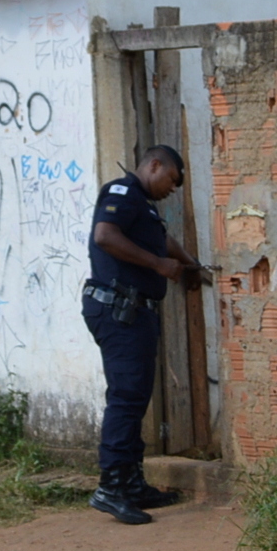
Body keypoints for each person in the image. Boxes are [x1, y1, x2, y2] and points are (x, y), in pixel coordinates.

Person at [82, 144, 212, 525]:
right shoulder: (121, 193)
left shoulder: (144, 206)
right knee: (125, 398)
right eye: (170, 181)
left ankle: (132, 483)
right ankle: (111, 487)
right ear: (154, 165)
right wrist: (158, 265)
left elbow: (162, 241)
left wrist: (189, 267)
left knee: (136, 398)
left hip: (135, 311)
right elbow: (105, 236)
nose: (171, 190)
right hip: (118, 308)